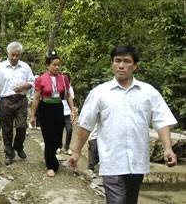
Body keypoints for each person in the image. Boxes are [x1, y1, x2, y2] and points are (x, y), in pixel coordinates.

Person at [68, 45, 177, 204]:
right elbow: (86, 125)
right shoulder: (100, 93)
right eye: (117, 61)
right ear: (112, 64)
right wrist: (76, 152)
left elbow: (162, 120)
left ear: (135, 66)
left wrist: (168, 148)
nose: (121, 65)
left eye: (126, 61)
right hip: (112, 161)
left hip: (137, 162)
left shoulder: (148, 93)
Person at [29, 50, 75, 177]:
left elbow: (67, 95)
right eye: (54, 65)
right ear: (48, 66)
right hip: (46, 108)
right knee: (48, 137)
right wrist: (33, 116)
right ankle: (51, 165)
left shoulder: (63, 78)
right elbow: (36, 98)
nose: (57, 67)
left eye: (58, 65)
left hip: (58, 107)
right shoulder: (41, 79)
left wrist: (72, 109)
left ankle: (53, 156)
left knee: (57, 138)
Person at [0, 42, 35, 166]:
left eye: (17, 55)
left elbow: (32, 82)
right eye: (12, 55)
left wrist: (24, 85)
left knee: (22, 126)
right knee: (7, 128)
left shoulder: (25, 67)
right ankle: (8, 153)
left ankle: (18, 146)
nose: (15, 58)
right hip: (6, 101)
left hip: (21, 100)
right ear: (8, 54)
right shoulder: (1, 67)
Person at [58, 73, 75, 155]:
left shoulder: (69, 89)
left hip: (67, 112)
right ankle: (58, 146)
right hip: (58, 112)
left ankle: (67, 147)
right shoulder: (57, 87)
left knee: (69, 129)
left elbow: (71, 99)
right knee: (58, 130)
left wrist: (72, 111)